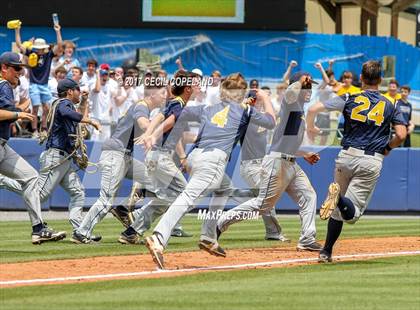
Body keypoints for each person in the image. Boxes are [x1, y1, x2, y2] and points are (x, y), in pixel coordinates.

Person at [143, 73, 277, 269]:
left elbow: (170, 116)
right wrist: (265, 97)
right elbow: (271, 121)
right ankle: (159, 237)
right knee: (187, 197)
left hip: (194, 157)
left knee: (224, 188)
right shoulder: (246, 110)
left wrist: (152, 134)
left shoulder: (208, 107)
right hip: (212, 161)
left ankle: (208, 236)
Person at [306, 60, 407, 263]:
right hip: (371, 159)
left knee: (335, 213)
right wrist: (387, 147)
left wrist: (310, 128)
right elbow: (402, 134)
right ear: (380, 81)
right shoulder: (391, 103)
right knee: (351, 215)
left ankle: (326, 251)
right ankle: (338, 199)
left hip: (346, 157)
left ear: (361, 78)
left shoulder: (349, 96)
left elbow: (313, 109)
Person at [216, 72, 322, 255]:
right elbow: (289, 93)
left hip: (289, 162)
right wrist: (298, 84)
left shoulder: (299, 110)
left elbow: (284, 142)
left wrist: (304, 153)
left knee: (309, 196)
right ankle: (218, 224)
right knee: (263, 204)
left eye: (310, 86)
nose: (308, 89)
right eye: (306, 86)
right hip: (278, 163)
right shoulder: (291, 103)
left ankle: (307, 238)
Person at [71, 85, 172, 243]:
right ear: (152, 94)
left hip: (125, 157)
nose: (165, 96)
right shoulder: (141, 106)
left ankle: (129, 217)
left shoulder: (140, 106)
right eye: (162, 93)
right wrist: (161, 122)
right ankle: (81, 233)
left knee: (160, 187)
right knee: (106, 200)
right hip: (114, 155)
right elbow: (145, 124)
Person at [0, 78, 101, 237]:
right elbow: (69, 113)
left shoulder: (67, 105)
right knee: (38, 195)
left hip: (64, 159)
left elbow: (76, 116)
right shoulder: (62, 103)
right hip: (56, 156)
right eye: (77, 90)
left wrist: (85, 102)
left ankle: (80, 231)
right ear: (69, 91)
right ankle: (3, 180)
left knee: (78, 192)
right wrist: (91, 120)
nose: (79, 93)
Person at [0, 51, 66, 244]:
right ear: (4, 68)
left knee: (30, 177)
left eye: (21, 68)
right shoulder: (3, 85)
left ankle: (39, 228)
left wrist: (20, 109)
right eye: (17, 68)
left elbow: (10, 111)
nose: (20, 72)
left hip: (3, 147)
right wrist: (18, 114)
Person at [14, 22, 63, 138]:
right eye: (38, 48)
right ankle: (35, 131)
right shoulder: (31, 53)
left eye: (41, 48)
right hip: (34, 84)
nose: (40, 50)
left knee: (47, 108)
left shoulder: (49, 55)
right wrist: (17, 30)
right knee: (35, 108)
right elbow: (19, 45)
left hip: (44, 85)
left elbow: (60, 46)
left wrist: (57, 31)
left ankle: (44, 128)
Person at [89, 65, 114, 140]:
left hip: (106, 119)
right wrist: (97, 75)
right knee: (94, 142)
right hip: (95, 118)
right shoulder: (93, 83)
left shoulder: (109, 86)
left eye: (106, 75)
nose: (104, 77)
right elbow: (97, 89)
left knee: (105, 142)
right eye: (102, 75)